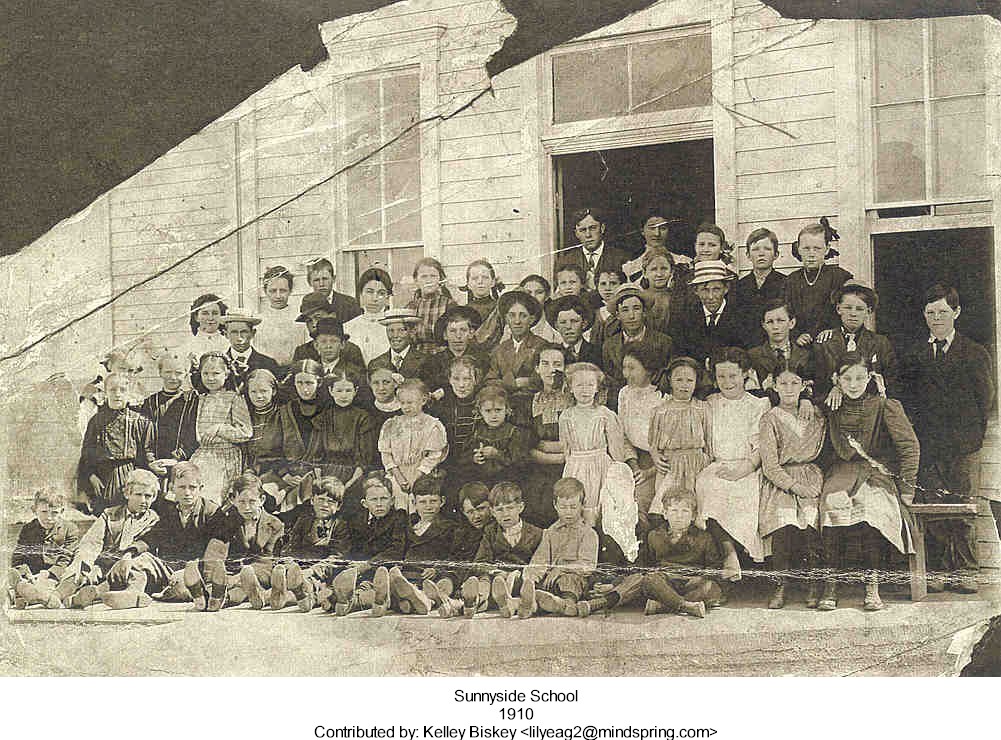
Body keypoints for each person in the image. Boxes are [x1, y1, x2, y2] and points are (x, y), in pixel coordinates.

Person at [900, 284, 996, 593]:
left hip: (963, 445)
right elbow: (907, 399)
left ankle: (967, 571)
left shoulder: (974, 352)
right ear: (924, 315)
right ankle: (940, 572)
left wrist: (970, 438)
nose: (937, 318)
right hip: (928, 445)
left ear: (956, 312)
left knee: (964, 508)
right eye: (931, 312)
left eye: (942, 311)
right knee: (934, 509)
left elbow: (985, 399)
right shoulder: (915, 354)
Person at [818, 351, 919, 611]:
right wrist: (824, 395)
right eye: (847, 378)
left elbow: (909, 446)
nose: (853, 384)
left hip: (875, 473)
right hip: (841, 472)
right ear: (837, 379)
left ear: (870, 378)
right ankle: (831, 584)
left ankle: (871, 584)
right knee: (831, 505)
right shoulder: (830, 405)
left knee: (872, 510)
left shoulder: (883, 406)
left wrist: (907, 488)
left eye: (859, 378)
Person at [576, 489, 722, 618]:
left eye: (685, 511)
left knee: (711, 589)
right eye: (674, 511)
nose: (679, 516)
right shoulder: (654, 535)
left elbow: (714, 567)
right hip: (663, 582)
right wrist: (615, 584)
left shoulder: (704, 538)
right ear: (665, 514)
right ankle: (598, 603)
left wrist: (701, 578)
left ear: (693, 516)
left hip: (691, 582)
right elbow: (642, 566)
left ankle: (663, 605)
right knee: (646, 578)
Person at [695, 347, 771, 582]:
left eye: (732, 376)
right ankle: (729, 554)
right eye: (721, 376)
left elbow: (761, 446)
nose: (727, 382)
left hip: (748, 466)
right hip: (717, 464)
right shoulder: (709, 403)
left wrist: (744, 469)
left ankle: (738, 555)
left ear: (745, 374)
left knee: (742, 492)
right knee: (708, 485)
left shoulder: (758, 404)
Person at [758, 361, 825, 609]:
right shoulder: (770, 418)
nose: (788, 388)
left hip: (810, 474)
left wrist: (808, 400)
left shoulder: (816, 414)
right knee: (783, 524)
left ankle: (813, 584)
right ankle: (780, 585)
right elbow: (770, 465)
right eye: (783, 383)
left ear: (803, 386)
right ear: (774, 386)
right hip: (781, 480)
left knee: (811, 522)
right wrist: (795, 487)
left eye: (794, 383)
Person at [60, 469, 171, 610]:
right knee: (82, 569)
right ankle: (57, 595)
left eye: (148, 496)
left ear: (154, 498)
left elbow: (147, 546)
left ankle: (91, 596)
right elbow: (91, 542)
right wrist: (86, 562)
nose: (143, 500)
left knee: (129, 572)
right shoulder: (110, 514)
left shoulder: (154, 520)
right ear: (127, 494)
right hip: (105, 565)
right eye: (138, 494)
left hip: (130, 568)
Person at [182, 471, 284, 611]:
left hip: (259, 573)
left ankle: (219, 599)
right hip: (228, 572)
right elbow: (215, 552)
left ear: (262, 500)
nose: (247, 507)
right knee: (185, 586)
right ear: (233, 500)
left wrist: (238, 578)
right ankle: (210, 593)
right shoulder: (227, 521)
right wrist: (211, 581)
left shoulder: (275, 525)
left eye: (252, 502)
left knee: (244, 587)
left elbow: (267, 562)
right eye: (241, 502)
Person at [445, 481, 545, 618]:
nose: (505, 514)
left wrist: (516, 575)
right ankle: (473, 601)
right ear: (493, 512)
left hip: (520, 580)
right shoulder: (490, 531)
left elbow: (538, 564)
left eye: (510, 508)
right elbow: (481, 561)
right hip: (495, 579)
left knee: (522, 584)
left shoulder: (536, 533)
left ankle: (472, 604)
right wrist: (495, 571)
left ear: (520, 507)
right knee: (485, 579)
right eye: (499, 510)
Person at [559, 362, 638, 528]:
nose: (585, 390)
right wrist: (572, 466)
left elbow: (616, 450)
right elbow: (566, 448)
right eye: (579, 385)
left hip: (600, 466)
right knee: (578, 506)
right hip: (576, 467)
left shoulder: (605, 414)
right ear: (571, 388)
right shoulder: (566, 416)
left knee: (601, 509)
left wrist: (617, 473)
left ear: (597, 388)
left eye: (590, 385)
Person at [329, 471, 409, 616]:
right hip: (361, 569)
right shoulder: (357, 520)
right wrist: (352, 566)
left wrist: (367, 565)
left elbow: (396, 550)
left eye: (383, 499)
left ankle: (352, 601)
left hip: (384, 567)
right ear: (364, 503)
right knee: (351, 581)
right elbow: (351, 547)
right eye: (374, 499)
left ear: (392, 500)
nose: (379, 504)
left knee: (375, 584)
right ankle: (342, 596)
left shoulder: (399, 518)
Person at [518, 477, 599, 618]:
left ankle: (565, 604)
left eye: (573, 507)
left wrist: (561, 569)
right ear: (555, 505)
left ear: (583, 504)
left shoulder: (588, 533)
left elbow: (588, 566)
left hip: (574, 583)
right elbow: (541, 559)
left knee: (569, 580)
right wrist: (531, 579)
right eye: (563, 507)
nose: (568, 512)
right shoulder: (550, 532)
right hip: (550, 582)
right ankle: (526, 602)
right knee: (527, 576)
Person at [647, 357, 713, 528]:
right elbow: (653, 444)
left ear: (697, 381)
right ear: (670, 380)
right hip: (671, 465)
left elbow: (709, 442)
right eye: (679, 380)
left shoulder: (702, 408)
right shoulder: (660, 411)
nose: (684, 385)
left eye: (689, 380)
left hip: (697, 464)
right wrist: (655, 456)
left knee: (695, 511)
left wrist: (707, 463)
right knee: (665, 509)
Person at [77, 372, 155, 514]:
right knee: (106, 515)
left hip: (131, 475)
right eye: (112, 390)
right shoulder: (96, 421)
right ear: (105, 393)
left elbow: (147, 453)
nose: (117, 394)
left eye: (122, 390)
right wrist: (91, 476)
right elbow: (87, 454)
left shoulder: (141, 421)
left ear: (129, 392)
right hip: (103, 477)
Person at [141, 461, 220, 602]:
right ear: (172, 488)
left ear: (200, 488)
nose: (187, 493)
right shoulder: (169, 510)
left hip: (197, 570)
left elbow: (214, 552)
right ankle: (133, 593)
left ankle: (173, 593)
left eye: (192, 487)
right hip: (170, 567)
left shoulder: (211, 512)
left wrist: (196, 572)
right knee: (140, 562)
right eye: (182, 487)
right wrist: (131, 552)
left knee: (184, 587)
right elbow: (153, 536)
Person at [385, 473, 457, 616]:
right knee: (395, 580)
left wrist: (437, 568)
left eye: (433, 501)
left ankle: (422, 601)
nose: (428, 507)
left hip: (432, 576)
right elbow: (399, 549)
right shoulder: (408, 524)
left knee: (445, 582)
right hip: (410, 574)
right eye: (423, 502)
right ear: (414, 503)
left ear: (442, 501)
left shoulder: (449, 527)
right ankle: (413, 600)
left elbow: (454, 555)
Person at [814, 281, 898, 403]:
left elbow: (891, 381)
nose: (853, 313)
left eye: (859, 309)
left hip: (869, 407)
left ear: (868, 311)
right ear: (838, 309)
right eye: (848, 308)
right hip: (832, 407)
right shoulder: (824, 342)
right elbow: (817, 382)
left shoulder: (880, 343)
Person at [277, 477, 351, 612]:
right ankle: (271, 595)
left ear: (338, 506)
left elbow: (337, 557)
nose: (325, 505)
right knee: (285, 574)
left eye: (331, 502)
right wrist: (290, 562)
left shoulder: (340, 526)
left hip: (322, 572)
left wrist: (313, 570)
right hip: (299, 567)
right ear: (312, 500)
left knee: (314, 584)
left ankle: (304, 597)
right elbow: (292, 546)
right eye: (320, 499)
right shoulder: (304, 521)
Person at [189, 353, 253, 505]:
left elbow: (246, 432)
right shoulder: (201, 398)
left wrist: (219, 428)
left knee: (211, 499)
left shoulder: (234, 398)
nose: (210, 378)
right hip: (203, 454)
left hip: (225, 457)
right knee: (190, 492)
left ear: (226, 374)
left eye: (216, 373)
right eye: (205, 374)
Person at [378, 378, 449, 513]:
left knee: (419, 508)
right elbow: (386, 454)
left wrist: (417, 475)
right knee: (397, 508)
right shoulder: (391, 425)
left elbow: (434, 455)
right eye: (402, 403)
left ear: (423, 400)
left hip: (423, 476)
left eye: (410, 402)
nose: (406, 407)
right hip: (397, 476)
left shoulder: (432, 425)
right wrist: (398, 476)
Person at [452, 385, 535, 491]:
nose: (493, 415)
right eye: (488, 411)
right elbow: (464, 458)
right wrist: (474, 458)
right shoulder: (477, 432)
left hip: (507, 481)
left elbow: (520, 462)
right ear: (480, 412)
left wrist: (497, 454)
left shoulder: (515, 432)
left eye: (498, 410)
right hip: (481, 482)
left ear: (507, 410)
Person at [785, 218, 852, 348]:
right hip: (800, 345)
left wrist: (834, 330)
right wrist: (796, 335)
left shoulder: (840, 277)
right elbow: (784, 314)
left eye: (817, 248)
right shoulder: (790, 281)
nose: (811, 254)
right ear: (799, 249)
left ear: (826, 249)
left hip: (832, 343)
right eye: (806, 248)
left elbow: (850, 311)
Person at [601, 284, 673, 405]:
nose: (631, 316)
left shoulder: (663, 343)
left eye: (636, 308)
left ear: (644, 311)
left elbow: (666, 379)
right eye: (625, 310)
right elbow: (610, 382)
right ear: (618, 315)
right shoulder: (609, 346)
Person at [525, 344, 572, 527]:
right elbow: (527, 445)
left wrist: (551, 448)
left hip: (570, 468)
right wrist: (551, 454)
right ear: (537, 368)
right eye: (545, 364)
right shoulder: (530, 400)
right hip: (539, 469)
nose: (551, 369)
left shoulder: (575, 399)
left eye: (557, 364)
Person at [617, 344, 664, 527]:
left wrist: (648, 472)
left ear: (648, 370)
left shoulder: (663, 397)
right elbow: (623, 435)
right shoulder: (624, 393)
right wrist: (634, 465)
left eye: (632, 368)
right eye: (624, 367)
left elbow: (670, 447)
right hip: (633, 459)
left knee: (640, 501)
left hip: (660, 463)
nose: (626, 374)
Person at [9, 490, 79, 609]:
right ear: (34, 510)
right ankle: (25, 591)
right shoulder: (28, 529)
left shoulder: (70, 529)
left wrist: (50, 573)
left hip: (56, 574)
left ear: (62, 511)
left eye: (54, 513)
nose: (48, 517)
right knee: (11, 575)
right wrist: (25, 572)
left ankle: (32, 596)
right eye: (44, 512)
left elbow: (66, 558)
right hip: (33, 574)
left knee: (70, 580)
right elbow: (18, 557)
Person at [668, 260, 745, 368]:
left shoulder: (741, 317)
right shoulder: (685, 318)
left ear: (726, 289)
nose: (710, 296)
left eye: (716, 289)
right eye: (705, 290)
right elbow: (680, 356)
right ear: (696, 291)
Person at [487, 290, 548, 424]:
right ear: (506, 319)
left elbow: (542, 380)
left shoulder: (542, 346)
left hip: (533, 409)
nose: (517, 321)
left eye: (523, 316)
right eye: (512, 315)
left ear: (531, 319)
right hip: (504, 409)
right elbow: (490, 380)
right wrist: (515, 383)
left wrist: (527, 382)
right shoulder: (499, 349)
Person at [313, 367, 375, 495]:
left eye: (348, 390)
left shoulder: (363, 418)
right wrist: (320, 481)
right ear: (331, 391)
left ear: (355, 391)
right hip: (325, 475)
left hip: (353, 476)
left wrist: (349, 484)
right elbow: (316, 456)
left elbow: (364, 461)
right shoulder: (322, 418)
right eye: (339, 390)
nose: (343, 395)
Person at [138, 350, 199, 477]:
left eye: (178, 373)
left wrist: (176, 459)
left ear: (186, 374)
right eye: (168, 372)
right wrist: (151, 461)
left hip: (183, 465)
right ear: (160, 373)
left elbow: (193, 436)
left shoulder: (192, 401)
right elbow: (145, 436)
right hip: (155, 465)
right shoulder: (150, 402)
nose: (173, 377)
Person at [421, 305, 489, 399]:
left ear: (471, 333)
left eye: (463, 330)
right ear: (445, 335)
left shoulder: (482, 359)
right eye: (452, 331)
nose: (458, 336)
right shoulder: (433, 362)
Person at [733, 228, 787, 347]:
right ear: (748, 255)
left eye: (767, 249)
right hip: (746, 347)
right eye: (755, 249)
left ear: (776, 254)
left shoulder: (786, 283)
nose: (761, 254)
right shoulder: (738, 286)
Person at [554, 207, 629, 292]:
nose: (588, 235)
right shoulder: (565, 261)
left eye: (593, 228)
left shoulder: (621, 258)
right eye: (582, 230)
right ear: (576, 234)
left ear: (602, 228)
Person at [748, 300, 814, 393]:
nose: (775, 327)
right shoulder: (753, 356)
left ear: (791, 323)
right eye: (770, 322)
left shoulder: (806, 355)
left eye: (780, 321)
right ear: (764, 325)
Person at [291, 293, 366, 369]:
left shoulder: (350, 350)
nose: (314, 324)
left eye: (318, 317)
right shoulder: (302, 352)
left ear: (332, 316)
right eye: (309, 321)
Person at [255, 265, 304, 367]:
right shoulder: (259, 321)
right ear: (265, 291)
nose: (278, 296)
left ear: (290, 291)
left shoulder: (299, 319)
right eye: (273, 291)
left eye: (282, 290)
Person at [622, 210, 693, 281]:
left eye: (663, 228)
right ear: (642, 231)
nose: (657, 234)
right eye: (652, 228)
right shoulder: (630, 268)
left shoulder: (684, 262)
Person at [218, 312, 281, 393]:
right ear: (226, 334)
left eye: (244, 332)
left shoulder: (268, 364)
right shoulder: (220, 363)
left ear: (253, 333)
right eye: (234, 332)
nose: (239, 338)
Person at [344, 266, 393, 365]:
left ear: (387, 297)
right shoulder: (347, 328)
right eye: (369, 292)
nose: (375, 298)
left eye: (381, 293)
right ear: (361, 294)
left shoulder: (393, 327)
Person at [407, 257, 456, 352]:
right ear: (416, 280)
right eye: (424, 276)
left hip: (442, 356)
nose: (428, 281)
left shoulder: (449, 305)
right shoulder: (410, 307)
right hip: (417, 356)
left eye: (433, 276)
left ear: (440, 279)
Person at [368, 308, 426, 378]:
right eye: (391, 330)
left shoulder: (425, 362)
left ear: (412, 332)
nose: (395, 335)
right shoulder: (375, 364)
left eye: (401, 330)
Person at [305, 257, 362, 323]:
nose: (321, 284)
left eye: (325, 279)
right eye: (316, 280)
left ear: (333, 279)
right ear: (309, 282)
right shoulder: (307, 304)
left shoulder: (349, 303)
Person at [547, 295, 601, 365]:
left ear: (584, 324)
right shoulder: (551, 353)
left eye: (574, 321)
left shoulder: (597, 353)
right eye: (563, 322)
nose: (568, 327)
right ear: (557, 326)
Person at [183, 294, 229, 372]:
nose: (210, 318)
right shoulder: (188, 346)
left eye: (215, 313)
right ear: (196, 317)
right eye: (205, 313)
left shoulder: (228, 344)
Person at [588, 268, 626, 350]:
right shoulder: (594, 313)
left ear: (621, 285)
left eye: (613, 283)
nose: (607, 288)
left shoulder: (626, 311)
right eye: (603, 284)